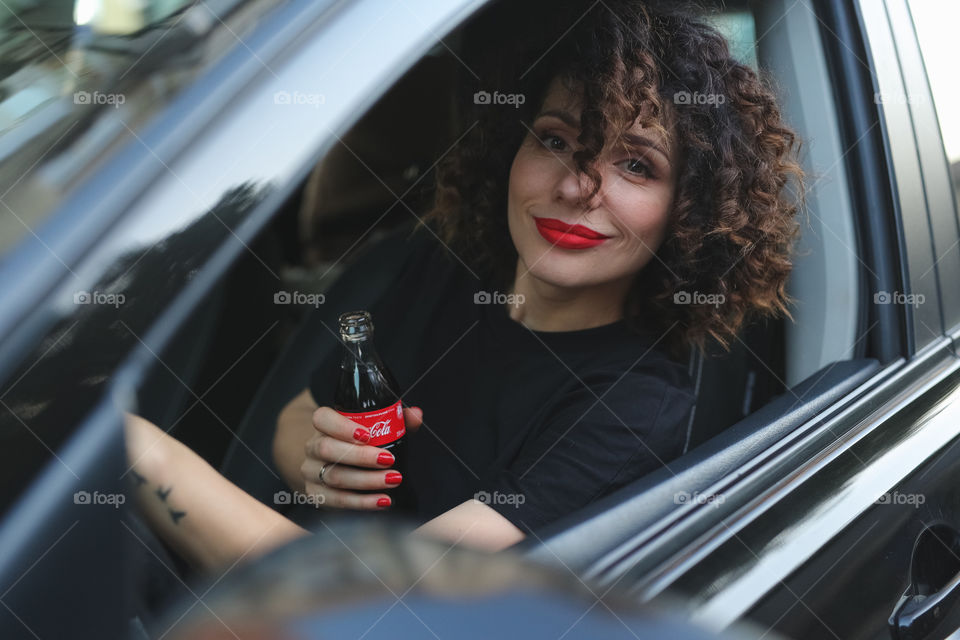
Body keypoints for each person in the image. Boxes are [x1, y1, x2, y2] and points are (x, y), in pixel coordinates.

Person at [124, 0, 804, 572]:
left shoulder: (635, 405)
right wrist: (320, 461)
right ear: (513, 149)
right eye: (557, 140)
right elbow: (295, 417)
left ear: (689, 211)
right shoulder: (436, 269)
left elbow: (380, 604)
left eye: (634, 164)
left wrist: (136, 451)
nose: (576, 187)